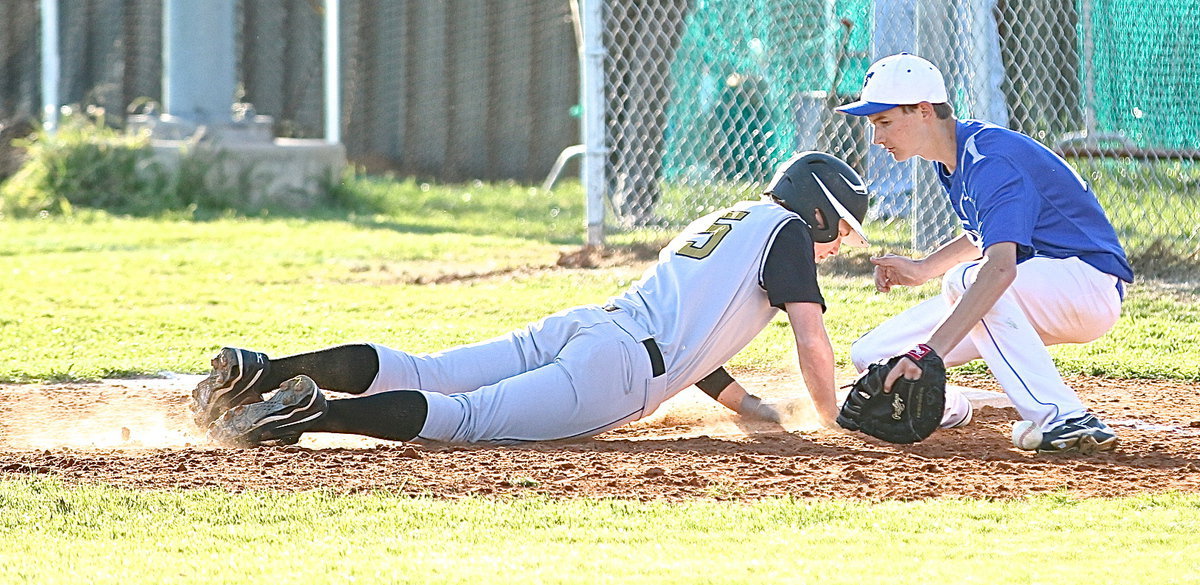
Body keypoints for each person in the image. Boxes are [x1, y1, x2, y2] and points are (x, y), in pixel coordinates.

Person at [192, 152, 969, 447]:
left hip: (592, 325)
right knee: (465, 420)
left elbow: (696, 344)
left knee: (428, 370)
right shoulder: (790, 233)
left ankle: (260, 371)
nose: (838, 245)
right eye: (842, 229)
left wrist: (750, 405)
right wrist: (827, 417)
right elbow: (811, 338)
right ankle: (314, 414)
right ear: (819, 212)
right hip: (616, 371)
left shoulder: (733, 219)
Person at [834, 53, 1133, 454]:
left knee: (966, 280)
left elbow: (1000, 269)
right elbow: (985, 236)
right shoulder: (953, 158)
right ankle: (949, 409)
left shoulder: (990, 159)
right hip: (1037, 290)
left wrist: (929, 353)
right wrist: (923, 269)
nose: (877, 138)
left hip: (1084, 284)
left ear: (924, 110)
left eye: (884, 122)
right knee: (873, 354)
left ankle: (1064, 418)